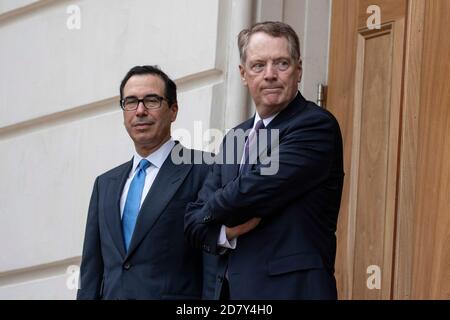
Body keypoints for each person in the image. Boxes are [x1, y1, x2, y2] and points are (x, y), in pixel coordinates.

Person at [185, 21, 344, 299]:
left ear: (299, 70)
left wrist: (207, 213)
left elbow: (253, 190)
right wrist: (223, 232)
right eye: (259, 65)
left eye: (281, 63)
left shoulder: (315, 126)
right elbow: (192, 222)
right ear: (243, 74)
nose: (270, 74)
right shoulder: (236, 137)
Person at [77, 65, 213, 299]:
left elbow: (213, 262)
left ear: (173, 110)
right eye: (130, 102)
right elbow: (91, 271)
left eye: (151, 101)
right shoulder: (104, 184)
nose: (140, 111)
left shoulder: (205, 168)